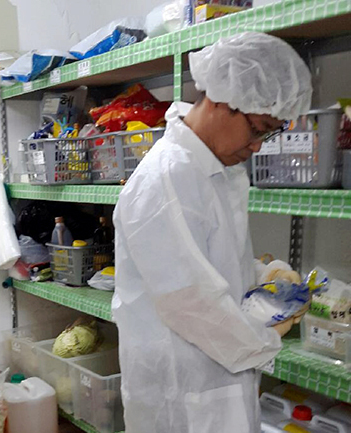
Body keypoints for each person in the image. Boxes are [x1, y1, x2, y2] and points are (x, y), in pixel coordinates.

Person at [112, 32, 312, 433]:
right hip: (180, 389)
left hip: (215, 376)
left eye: (269, 134)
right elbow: (188, 301)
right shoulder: (167, 178)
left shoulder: (216, 169)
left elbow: (209, 260)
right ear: (222, 100)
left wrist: (262, 275)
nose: (258, 146)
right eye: (258, 129)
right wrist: (264, 340)